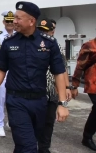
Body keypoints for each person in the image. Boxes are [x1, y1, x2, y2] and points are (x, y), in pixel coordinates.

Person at [0, 1, 69, 152]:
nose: (14, 21)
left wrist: (62, 103)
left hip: (39, 101)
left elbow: (59, 72)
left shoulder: (49, 43)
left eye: (18, 18)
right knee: (29, 146)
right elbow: (1, 70)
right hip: (16, 101)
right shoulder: (8, 43)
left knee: (24, 144)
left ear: (31, 21)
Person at [37, 19, 72, 153]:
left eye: (47, 31)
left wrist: (67, 88)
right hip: (35, 91)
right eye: (41, 30)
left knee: (48, 123)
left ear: (53, 31)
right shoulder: (31, 45)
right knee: (34, 123)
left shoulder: (56, 46)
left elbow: (62, 69)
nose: (43, 33)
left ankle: (44, 148)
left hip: (51, 92)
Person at [71, 37, 96, 151]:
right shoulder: (89, 45)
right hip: (93, 83)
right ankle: (87, 137)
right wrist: (74, 85)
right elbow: (80, 65)